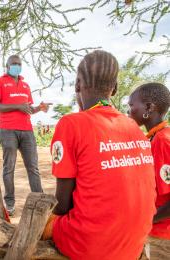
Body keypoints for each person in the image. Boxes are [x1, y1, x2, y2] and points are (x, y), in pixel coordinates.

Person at [42, 50, 156, 260]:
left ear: (77, 85)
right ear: (114, 90)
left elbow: (62, 204)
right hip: (134, 240)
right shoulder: (132, 125)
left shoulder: (71, 124)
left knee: (42, 226)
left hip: (92, 245)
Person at [0, 54, 51, 216]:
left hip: (27, 131)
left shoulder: (25, 86)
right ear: (7, 66)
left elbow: (27, 109)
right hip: (8, 131)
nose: (16, 66)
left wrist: (40, 108)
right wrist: (17, 106)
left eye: (19, 64)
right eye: (13, 63)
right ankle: (9, 203)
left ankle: (40, 201)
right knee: (9, 168)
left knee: (33, 167)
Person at [128, 82, 170, 259]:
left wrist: (143, 222)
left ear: (148, 107)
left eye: (131, 105)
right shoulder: (154, 137)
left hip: (162, 235)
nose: (129, 111)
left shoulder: (163, 141)